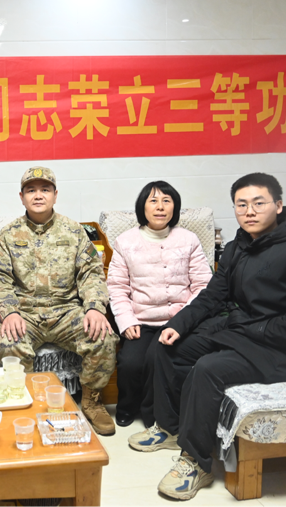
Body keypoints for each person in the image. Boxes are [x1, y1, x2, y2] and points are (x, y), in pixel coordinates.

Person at [128, 173, 286, 501]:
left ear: (279, 206)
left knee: (207, 370)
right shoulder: (239, 246)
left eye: (258, 203)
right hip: (239, 332)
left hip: (280, 350)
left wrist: (250, 330)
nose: (249, 211)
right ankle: (169, 428)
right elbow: (213, 295)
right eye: (241, 205)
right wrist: (179, 324)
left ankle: (195, 461)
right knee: (167, 348)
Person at [0, 166, 118, 436]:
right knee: (8, 342)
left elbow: (91, 273)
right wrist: (9, 312)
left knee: (103, 336)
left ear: (55, 195)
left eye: (45, 190)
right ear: (21, 197)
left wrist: (94, 308)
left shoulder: (74, 231)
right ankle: (24, 402)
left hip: (66, 312)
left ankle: (92, 401)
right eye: (31, 190)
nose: (38, 195)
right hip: (25, 313)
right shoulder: (8, 234)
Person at [107, 181, 211, 428]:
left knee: (158, 358)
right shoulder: (125, 241)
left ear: (175, 207)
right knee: (130, 362)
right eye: (153, 201)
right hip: (140, 320)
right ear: (142, 207)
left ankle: (153, 416)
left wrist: (183, 321)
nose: (160, 207)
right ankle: (127, 407)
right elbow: (117, 287)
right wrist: (126, 321)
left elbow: (203, 285)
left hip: (179, 321)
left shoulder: (188, 239)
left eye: (167, 201)